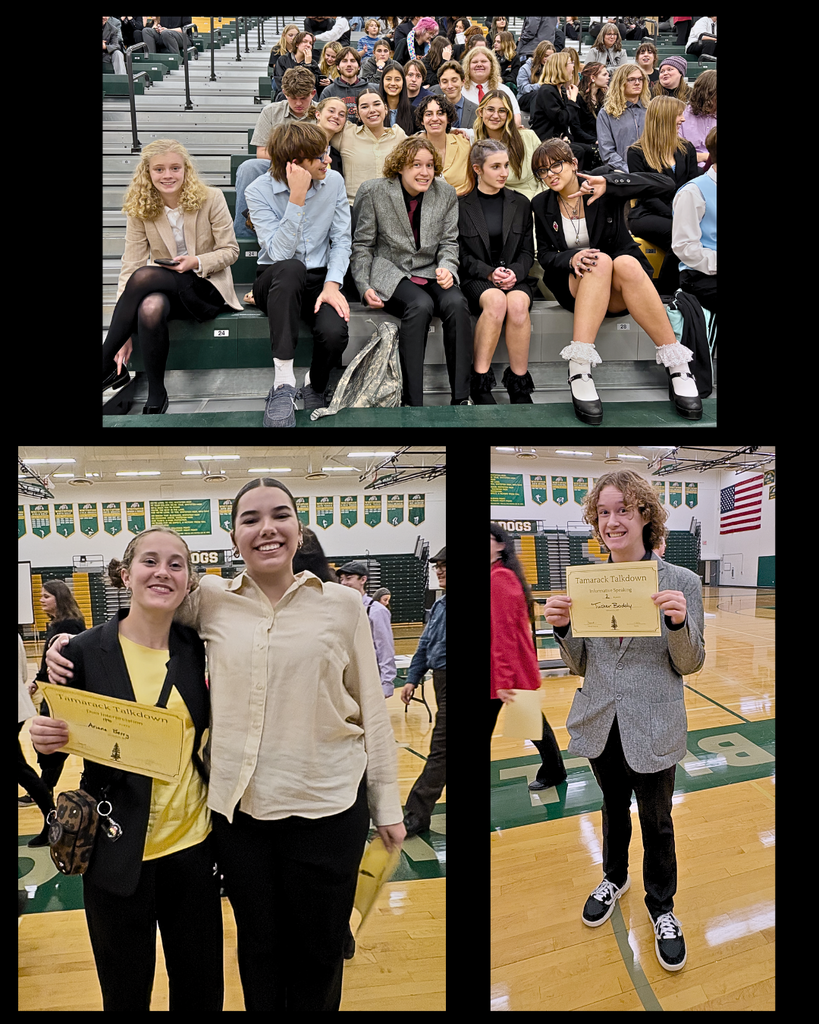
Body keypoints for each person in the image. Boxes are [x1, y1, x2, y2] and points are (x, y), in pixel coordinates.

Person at [47, 478, 404, 1012]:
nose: (266, 529)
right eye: (250, 519)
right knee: (258, 949)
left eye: (279, 515)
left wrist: (388, 805)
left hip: (327, 806)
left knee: (321, 951)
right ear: (234, 536)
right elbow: (144, 614)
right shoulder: (211, 600)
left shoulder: (343, 607)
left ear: (298, 529)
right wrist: (68, 646)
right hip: (244, 818)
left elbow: (372, 710)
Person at [32, 527, 222, 1010]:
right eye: (150, 561)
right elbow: (56, 735)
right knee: (124, 992)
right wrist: (44, 738)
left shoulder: (201, 649)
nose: (163, 571)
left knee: (200, 990)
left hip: (192, 850)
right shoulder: (79, 652)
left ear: (189, 580)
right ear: (125, 573)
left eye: (176, 564)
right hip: (114, 853)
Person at [543, 470, 705, 973]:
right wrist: (564, 630)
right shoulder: (587, 582)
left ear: (644, 516)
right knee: (613, 808)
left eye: (624, 510)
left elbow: (691, 662)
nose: (613, 521)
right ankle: (614, 876)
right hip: (600, 720)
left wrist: (678, 623)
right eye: (604, 513)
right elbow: (581, 664)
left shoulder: (682, 583)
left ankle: (663, 906)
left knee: (657, 821)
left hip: (653, 723)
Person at [531, 137, 702, 423]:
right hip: (575, 284)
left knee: (623, 262)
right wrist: (571, 258)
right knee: (600, 260)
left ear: (574, 164)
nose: (550, 175)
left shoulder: (603, 188)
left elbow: (665, 185)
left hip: (620, 288)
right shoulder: (541, 204)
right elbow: (546, 255)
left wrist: (611, 183)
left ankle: (677, 365)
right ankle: (579, 367)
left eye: (556, 166)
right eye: (542, 171)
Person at [102, 139, 242, 414]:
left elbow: (231, 251)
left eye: (175, 168)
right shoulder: (140, 208)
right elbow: (130, 265)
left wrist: (196, 261)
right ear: (148, 173)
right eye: (159, 169)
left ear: (186, 169)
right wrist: (124, 332)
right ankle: (157, 394)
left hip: (206, 287)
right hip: (167, 290)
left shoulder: (211, 197)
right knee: (149, 305)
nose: (168, 175)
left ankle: (104, 363)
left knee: (145, 276)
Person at [351, 135, 473, 406]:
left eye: (429, 165)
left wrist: (447, 267)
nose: (424, 172)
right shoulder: (373, 191)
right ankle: (411, 401)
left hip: (430, 269)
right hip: (391, 270)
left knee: (456, 302)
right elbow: (362, 245)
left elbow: (449, 242)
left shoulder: (446, 193)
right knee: (420, 305)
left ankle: (462, 398)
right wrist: (364, 286)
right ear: (400, 167)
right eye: (416, 165)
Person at [245, 121, 351, 425]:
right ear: (295, 163)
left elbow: (342, 239)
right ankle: (282, 384)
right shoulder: (258, 191)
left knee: (334, 333)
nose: (328, 160)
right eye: (319, 156)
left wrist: (332, 284)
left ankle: (314, 384)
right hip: (276, 278)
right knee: (291, 267)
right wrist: (297, 197)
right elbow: (279, 254)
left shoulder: (333, 181)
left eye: (326, 152)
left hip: (319, 278)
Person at [458, 139, 535, 404]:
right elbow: (461, 255)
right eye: (496, 167)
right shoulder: (461, 205)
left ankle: (519, 384)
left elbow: (527, 252)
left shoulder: (521, 203)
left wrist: (514, 272)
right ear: (477, 169)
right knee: (495, 301)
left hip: (516, 277)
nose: (504, 172)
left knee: (516, 305)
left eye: (506, 165)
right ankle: (480, 382)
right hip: (477, 278)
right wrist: (490, 274)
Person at [490, 526, 566, 789]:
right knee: (533, 724)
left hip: (507, 673)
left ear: (500, 545)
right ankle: (555, 770)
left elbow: (504, 634)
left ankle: (555, 771)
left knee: (532, 724)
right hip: (503, 671)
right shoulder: (496, 575)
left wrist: (503, 679)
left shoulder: (500, 578)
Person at [400, 547, 446, 836]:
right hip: (440, 681)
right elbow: (424, 645)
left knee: (441, 748)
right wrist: (412, 678)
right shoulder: (440, 606)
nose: (439, 571)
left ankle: (417, 813)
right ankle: (554, 765)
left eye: (445, 566)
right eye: (437, 567)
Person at [337, 559, 397, 697]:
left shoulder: (376, 611)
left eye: (349, 578)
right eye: (341, 579)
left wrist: (386, 683)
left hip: (369, 677)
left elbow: (385, 648)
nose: (344, 583)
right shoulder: (339, 609)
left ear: (363, 579)